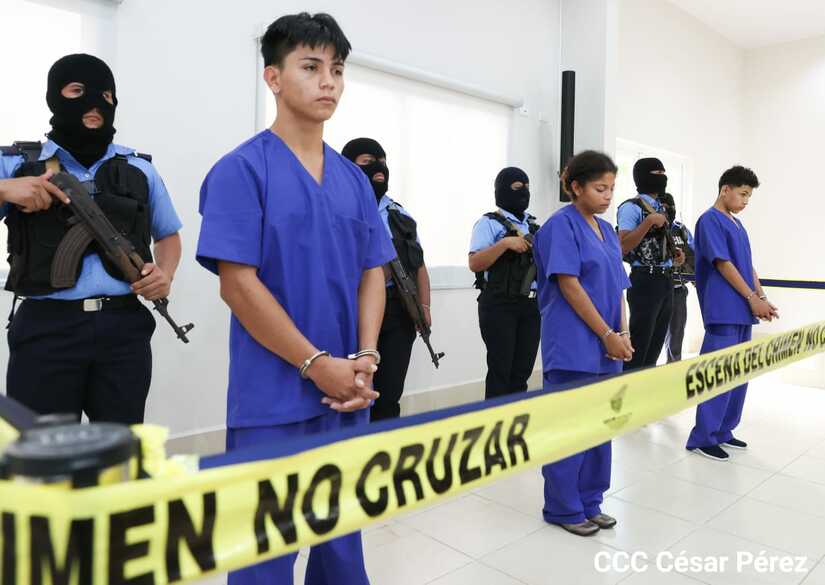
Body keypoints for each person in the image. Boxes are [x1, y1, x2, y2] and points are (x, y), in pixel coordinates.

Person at [196, 13, 394, 584]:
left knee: (340, 544)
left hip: (349, 394)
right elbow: (237, 283)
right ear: (274, 78)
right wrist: (314, 363)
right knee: (265, 549)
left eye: (336, 69)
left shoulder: (354, 180)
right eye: (310, 67)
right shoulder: (241, 170)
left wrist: (365, 357)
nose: (328, 81)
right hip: (273, 398)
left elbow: (372, 273)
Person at [0, 53, 183, 424]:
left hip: (123, 329)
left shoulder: (139, 169)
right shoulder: (18, 164)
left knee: (119, 456)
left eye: (106, 96)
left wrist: (164, 274)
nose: (96, 105)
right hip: (46, 328)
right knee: (42, 464)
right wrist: (5, 189)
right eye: (78, 91)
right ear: (55, 96)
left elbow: (169, 236)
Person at [534, 150, 632, 537]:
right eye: (599, 188)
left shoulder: (607, 231)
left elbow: (619, 287)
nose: (607, 196)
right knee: (568, 428)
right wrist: (606, 334)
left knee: (600, 427)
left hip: (607, 348)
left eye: (611, 188)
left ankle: (591, 501)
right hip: (573, 344)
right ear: (575, 187)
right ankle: (562, 506)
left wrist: (621, 334)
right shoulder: (560, 226)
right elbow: (569, 285)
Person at [686, 166, 778, 461]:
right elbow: (723, 264)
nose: (745, 202)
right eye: (742, 194)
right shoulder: (709, 221)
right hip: (724, 308)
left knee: (739, 371)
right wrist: (752, 298)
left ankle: (723, 431)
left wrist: (762, 297)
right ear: (725, 189)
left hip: (743, 309)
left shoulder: (737, 225)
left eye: (748, 197)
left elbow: (747, 265)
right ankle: (703, 436)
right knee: (717, 372)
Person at [341, 137, 431, 422]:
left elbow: (419, 265)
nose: (378, 167)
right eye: (368, 162)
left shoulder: (400, 214)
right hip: (352, 308)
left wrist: (424, 308)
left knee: (388, 393)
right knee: (351, 391)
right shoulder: (338, 208)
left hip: (398, 308)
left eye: (382, 161)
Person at [469, 167, 541, 399]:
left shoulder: (533, 226)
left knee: (521, 373)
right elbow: (475, 263)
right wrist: (504, 245)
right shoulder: (488, 223)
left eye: (527, 187)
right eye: (517, 187)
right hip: (499, 305)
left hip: (531, 306)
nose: (524, 192)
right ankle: (495, 429)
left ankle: (515, 429)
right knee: (501, 371)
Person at [616, 158, 685, 372]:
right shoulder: (631, 207)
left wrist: (675, 254)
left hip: (666, 279)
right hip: (644, 280)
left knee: (655, 346)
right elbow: (622, 246)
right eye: (657, 172)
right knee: (639, 344)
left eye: (664, 172)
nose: (662, 176)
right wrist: (648, 222)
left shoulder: (663, 207)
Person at [659, 192, 695, 362]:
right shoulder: (648, 227)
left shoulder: (680, 229)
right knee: (650, 336)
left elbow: (693, 255)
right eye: (663, 207)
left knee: (676, 336)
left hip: (678, 289)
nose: (667, 211)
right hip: (655, 288)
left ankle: (672, 373)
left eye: (670, 207)